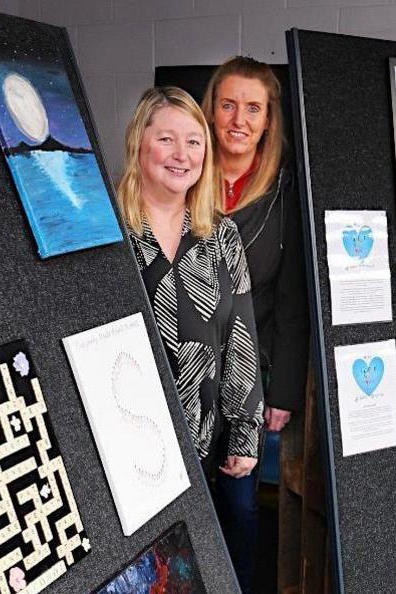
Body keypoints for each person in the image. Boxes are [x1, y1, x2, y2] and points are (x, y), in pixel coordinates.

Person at [115, 86, 265, 559]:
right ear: (140, 144)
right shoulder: (109, 232)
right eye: (166, 140)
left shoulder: (221, 235)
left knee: (218, 553)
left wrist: (245, 430)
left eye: (194, 142)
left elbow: (241, 334)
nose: (182, 155)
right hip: (130, 446)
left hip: (208, 438)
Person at [201, 56, 310, 593]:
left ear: (269, 120)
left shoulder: (285, 193)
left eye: (252, 108)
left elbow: (293, 301)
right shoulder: (184, 173)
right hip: (181, 371)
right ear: (211, 110)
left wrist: (282, 389)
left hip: (249, 375)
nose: (238, 119)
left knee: (241, 509)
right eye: (227, 105)